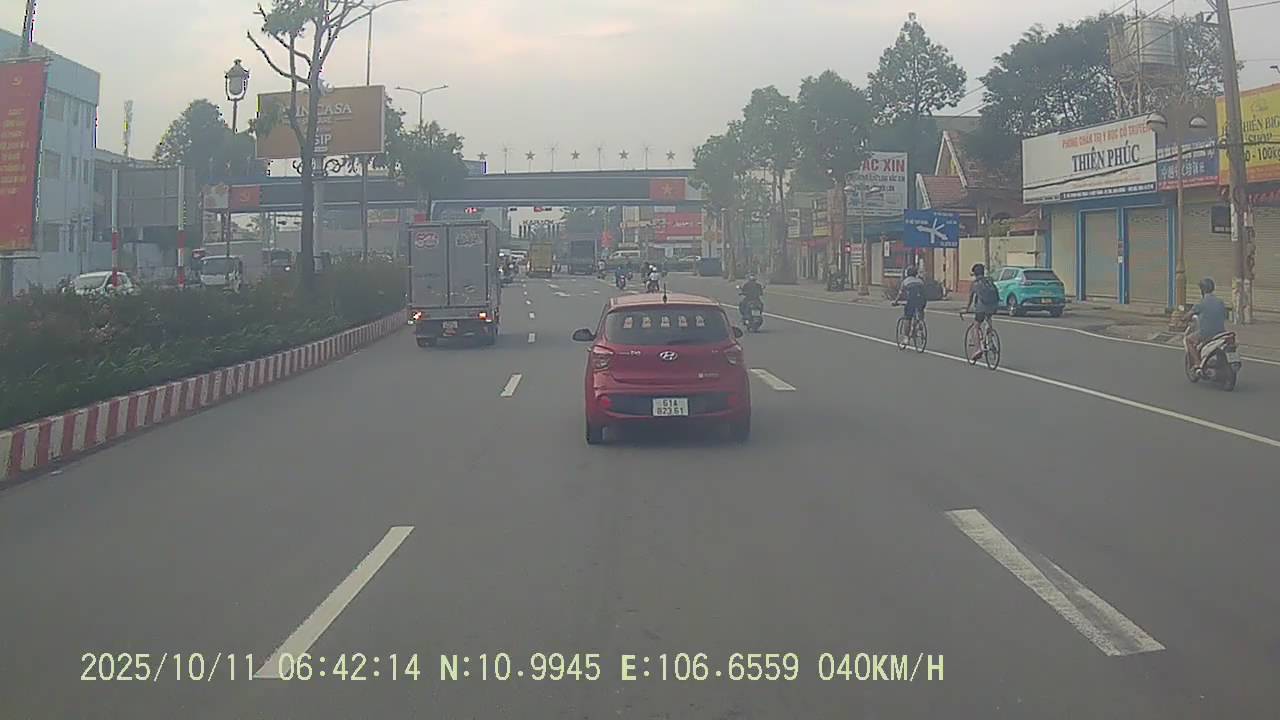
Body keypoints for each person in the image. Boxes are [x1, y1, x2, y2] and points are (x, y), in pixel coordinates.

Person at [1184, 277, 1228, 369]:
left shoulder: (1201, 303)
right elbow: (1225, 315)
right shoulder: (1220, 302)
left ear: (1202, 290)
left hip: (1206, 333)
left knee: (1189, 340)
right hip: (1221, 332)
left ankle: (1197, 363)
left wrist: (1183, 319)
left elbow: (1189, 315)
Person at [963, 263, 1000, 360]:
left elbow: (970, 299)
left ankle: (978, 349)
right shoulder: (989, 280)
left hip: (981, 308)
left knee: (975, 327)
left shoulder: (975, 284)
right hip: (993, 306)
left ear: (975, 274)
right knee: (989, 319)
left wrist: (966, 309)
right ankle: (990, 340)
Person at [895, 266, 926, 337]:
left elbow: (900, 293)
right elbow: (924, 292)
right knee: (920, 310)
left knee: (907, 318)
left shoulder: (905, 281)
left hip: (911, 300)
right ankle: (919, 322)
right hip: (922, 300)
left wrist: (896, 302)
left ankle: (906, 337)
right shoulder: (920, 281)